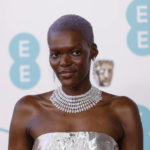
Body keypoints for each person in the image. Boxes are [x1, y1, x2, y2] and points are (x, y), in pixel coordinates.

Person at [8, 14, 143, 150]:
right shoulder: (28, 109)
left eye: (75, 52)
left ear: (93, 51)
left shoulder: (122, 110)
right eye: (55, 54)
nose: (64, 62)